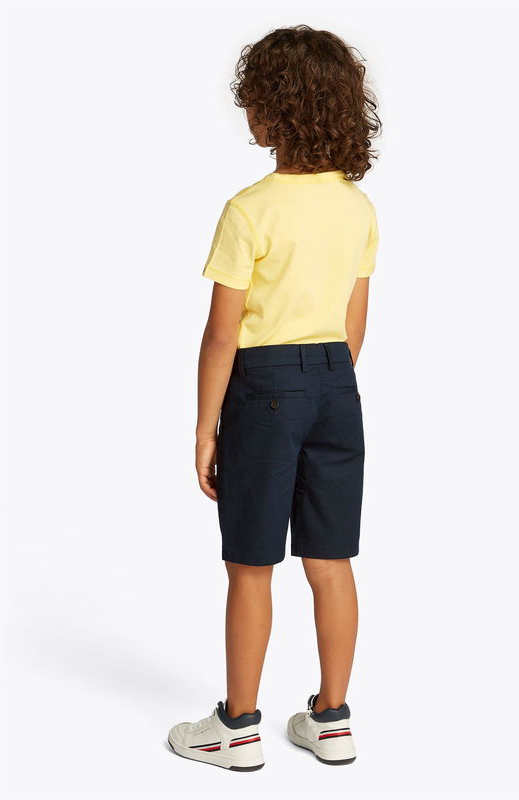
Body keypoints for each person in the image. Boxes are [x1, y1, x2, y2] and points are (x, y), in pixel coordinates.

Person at [167, 24, 381, 771]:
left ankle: (238, 726)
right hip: (337, 385)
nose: (246, 112)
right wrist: (321, 380)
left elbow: (221, 335)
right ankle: (332, 718)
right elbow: (354, 325)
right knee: (331, 560)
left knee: (251, 564)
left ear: (277, 109)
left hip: (264, 390)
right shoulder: (356, 207)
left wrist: (206, 429)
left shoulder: (250, 209)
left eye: (253, 99)